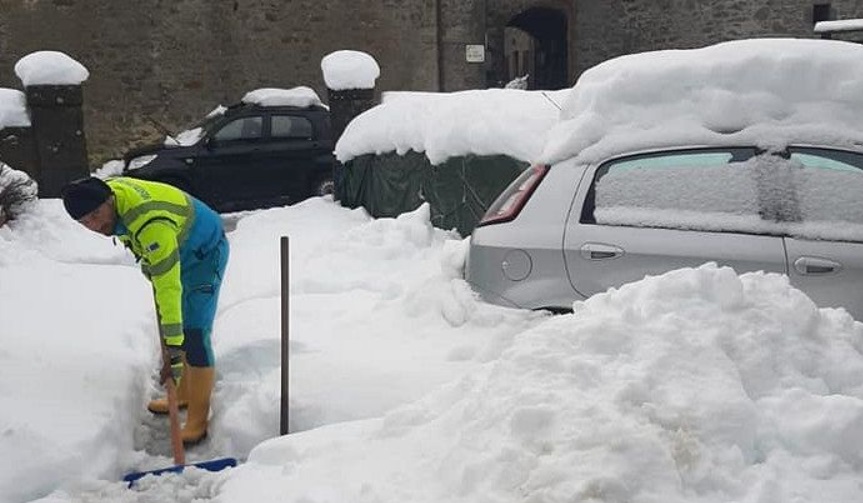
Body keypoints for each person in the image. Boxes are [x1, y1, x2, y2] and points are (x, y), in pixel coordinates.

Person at [61, 176, 229, 445]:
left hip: (205, 253)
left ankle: (198, 421)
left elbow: (168, 287)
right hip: (175, 247)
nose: (94, 226)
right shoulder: (109, 197)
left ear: (110, 201)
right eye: (84, 222)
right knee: (182, 325)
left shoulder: (150, 223)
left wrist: (174, 352)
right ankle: (182, 394)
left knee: (195, 332)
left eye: (96, 215)